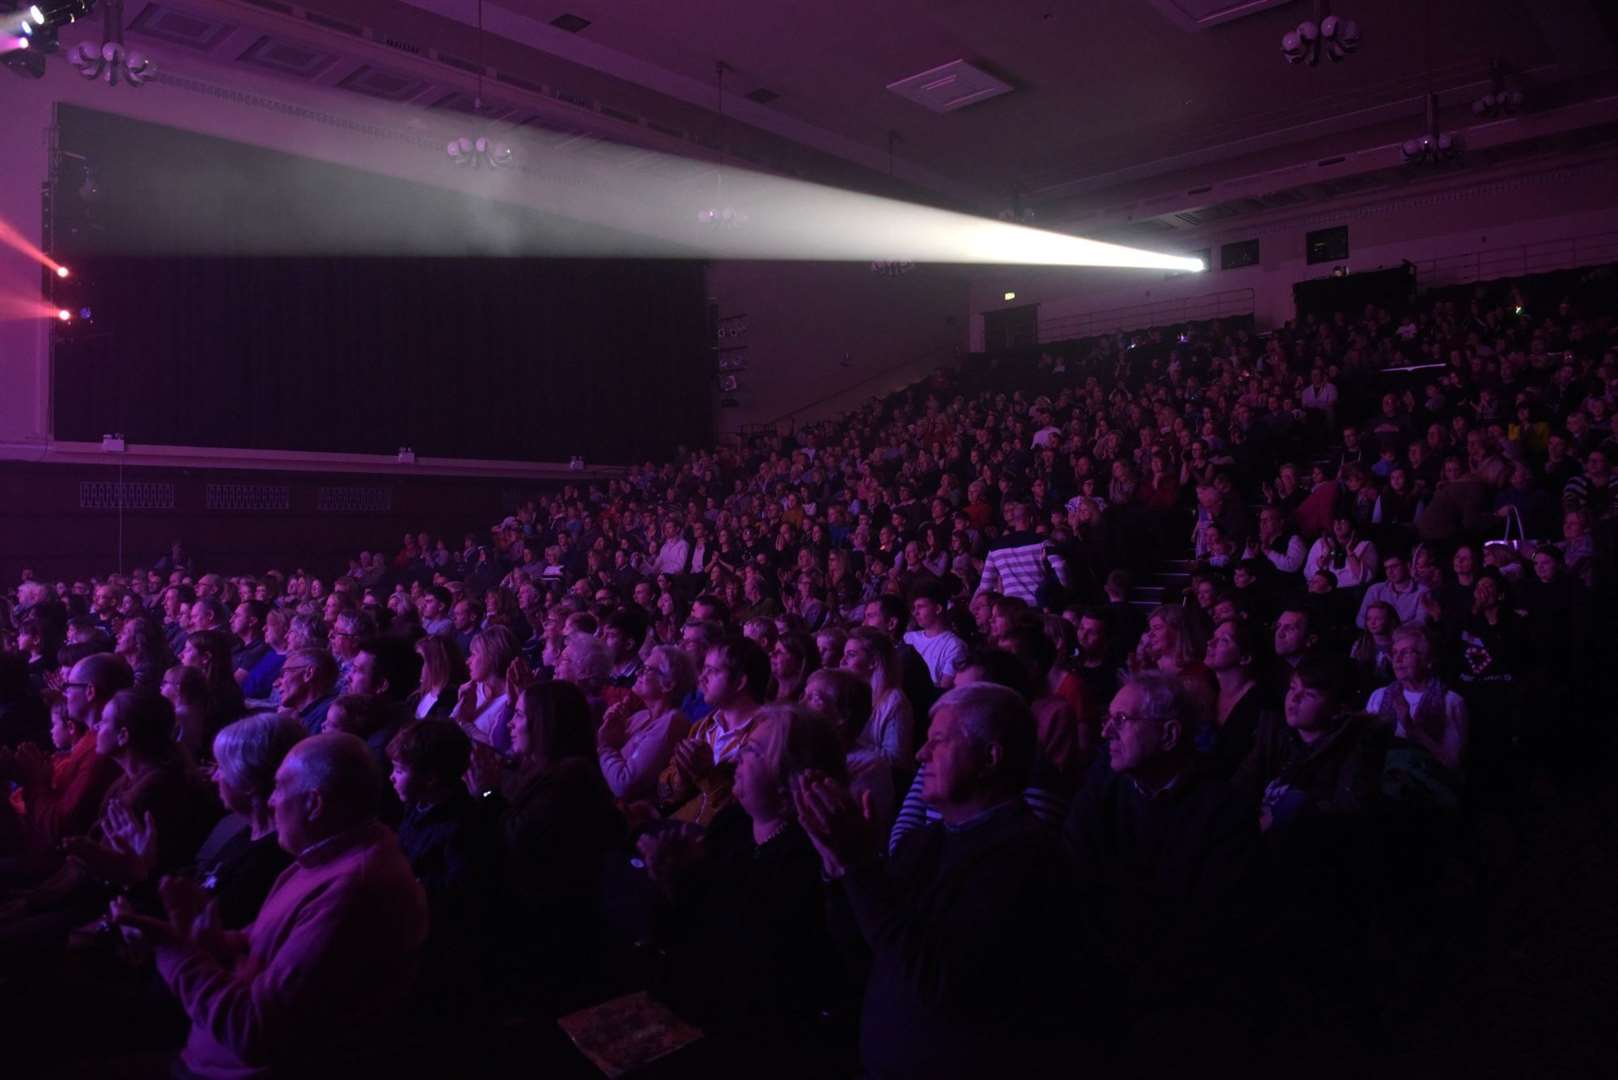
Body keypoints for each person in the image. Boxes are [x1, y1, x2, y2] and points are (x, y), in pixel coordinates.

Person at [793, 683, 1088, 1078]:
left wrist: (860, 864)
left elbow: (933, 977)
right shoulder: (925, 841)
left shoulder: (1026, 857)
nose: (920, 754)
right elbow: (868, 950)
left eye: (938, 742)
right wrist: (836, 865)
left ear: (990, 758)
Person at [113, 732, 428, 1079]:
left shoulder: (354, 890)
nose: (272, 801)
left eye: (280, 788)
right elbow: (258, 943)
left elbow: (253, 1032)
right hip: (209, 1052)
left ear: (313, 804)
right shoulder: (319, 859)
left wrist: (169, 948)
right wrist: (203, 935)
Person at [637, 706, 853, 1070]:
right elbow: (682, 933)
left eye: (751, 751)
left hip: (754, 1045)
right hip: (691, 1010)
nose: (736, 756)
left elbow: (763, 968)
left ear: (791, 779)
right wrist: (669, 879)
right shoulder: (733, 824)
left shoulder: (811, 858)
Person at [1063, 673, 1261, 1044]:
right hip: (1098, 981)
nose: (1106, 731)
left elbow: (1211, 922)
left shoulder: (1224, 811)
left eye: (1122, 720)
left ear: (1170, 735)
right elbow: (1072, 887)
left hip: (1185, 1001)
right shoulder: (1098, 797)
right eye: (1109, 718)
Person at [470, 681, 623, 988]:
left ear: (545, 724)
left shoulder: (570, 782)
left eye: (521, 716)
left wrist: (487, 792)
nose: (511, 723)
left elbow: (512, 845)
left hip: (550, 933)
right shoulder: (545, 771)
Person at [1366, 624, 1468, 803]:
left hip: (1428, 793)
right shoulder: (1379, 695)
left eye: (1407, 652)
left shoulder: (1450, 701)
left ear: (1428, 660)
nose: (1397, 660)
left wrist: (1413, 729)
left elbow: (1452, 764)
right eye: (1395, 652)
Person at [597, 644, 695, 802]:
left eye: (647, 669)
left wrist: (605, 747)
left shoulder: (672, 724)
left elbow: (624, 785)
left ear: (668, 684)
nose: (637, 673)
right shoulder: (641, 716)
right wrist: (611, 729)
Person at [902, 582, 968, 689]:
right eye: (914, 608)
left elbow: (943, 689)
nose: (915, 613)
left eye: (921, 607)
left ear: (938, 609)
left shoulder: (954, 646)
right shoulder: (907, 638)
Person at [273, 647, 341, 736]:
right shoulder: (300, 716)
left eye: (284, 673)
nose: (276, 684)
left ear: (308, 673)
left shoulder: (328, 717)